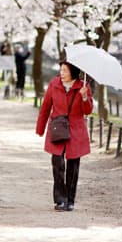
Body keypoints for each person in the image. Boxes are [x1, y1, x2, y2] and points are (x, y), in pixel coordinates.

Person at [35, 61, 93, 212]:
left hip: (76, 130)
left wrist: (85, 97)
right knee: (57, 164)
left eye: (65, 71)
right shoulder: (54, 84)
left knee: (73, 167)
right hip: (58, 127)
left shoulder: (83, 86)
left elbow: (87, 111)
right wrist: (40, 128)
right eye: (61, 70)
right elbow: (46, 106)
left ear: (73, 72)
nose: (61, 73)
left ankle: (70, 200)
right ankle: (60, 200)